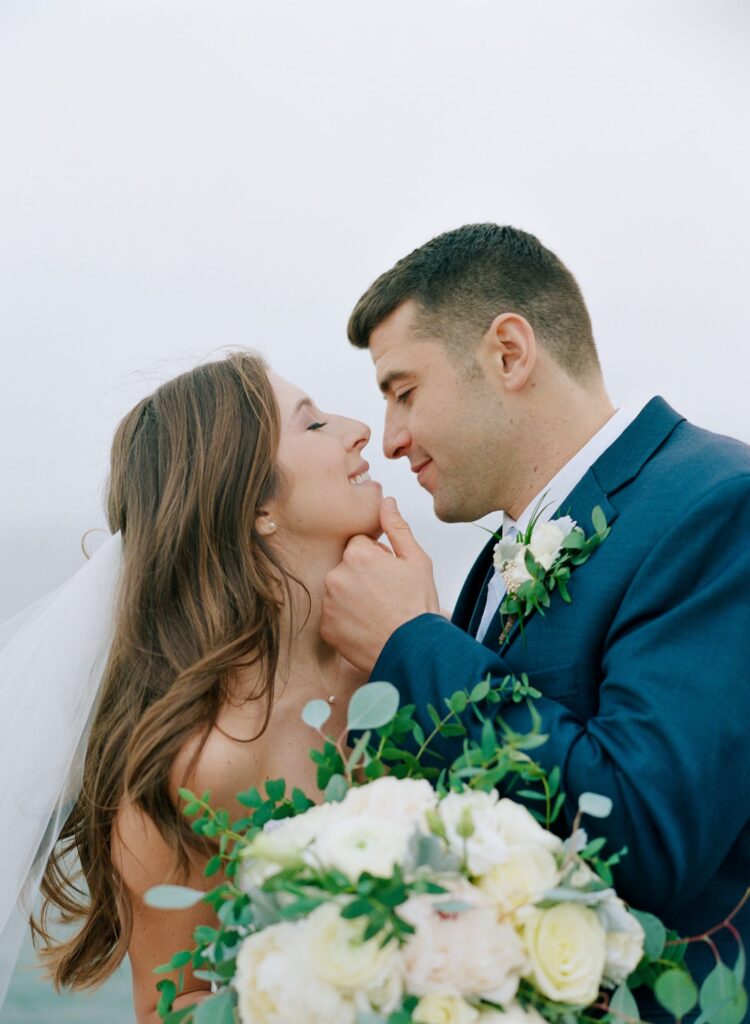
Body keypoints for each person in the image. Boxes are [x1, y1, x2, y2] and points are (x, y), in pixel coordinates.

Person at [321, 224, 750, 1012]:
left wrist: (411, 645)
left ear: (509, 353)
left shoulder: (720, 502)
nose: (390, 440)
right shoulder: (498, 558)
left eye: (404, 391)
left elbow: (648, 829)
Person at [0, 352, 382, 1023]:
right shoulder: (196, 769)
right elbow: (172, 1009)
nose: (358, 429)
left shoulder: (408, 658)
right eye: (314, 425)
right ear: (258, 506)